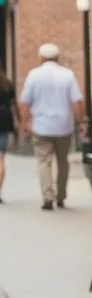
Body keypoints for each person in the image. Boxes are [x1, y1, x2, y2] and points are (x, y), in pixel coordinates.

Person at [19, 43, 84, 210]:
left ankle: (48, 195)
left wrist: (24, 124)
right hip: (63, 125)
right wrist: (80, 121)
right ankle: (61, 196)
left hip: (41, 126)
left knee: (43, 161)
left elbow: (25, 103)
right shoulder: (67, 75)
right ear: (57, 58)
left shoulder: (33, 75)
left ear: (41, 58)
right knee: (63, 162)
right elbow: (77, 101)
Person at [0, 65, 21, 203]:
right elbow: (15, 105)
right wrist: (19, 121)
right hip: (4, 120)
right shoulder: (6, 84)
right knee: (0, 158)